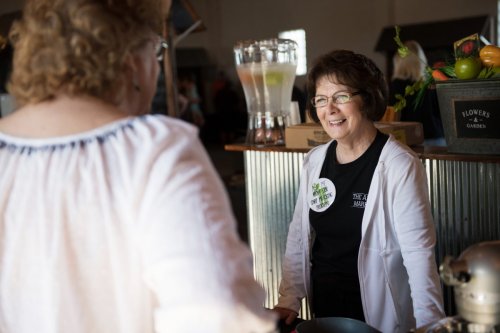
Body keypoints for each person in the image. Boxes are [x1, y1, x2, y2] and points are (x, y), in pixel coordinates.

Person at [0, 0, 277, 332]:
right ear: (129, 58)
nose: (158, 68)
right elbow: (221, 314)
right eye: (157, 51)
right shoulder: (155, 149)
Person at [272, 50, 445, 333]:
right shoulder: (315, 160)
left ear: (366, 99)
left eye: (341, 97)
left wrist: (430, 324)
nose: (330, 110)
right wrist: (289, 299)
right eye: (321, 100)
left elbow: (418, 253)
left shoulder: (399, 164)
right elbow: (299, 234)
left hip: (379, 317)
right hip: (324, 313)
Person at [389, 40, 446, 146]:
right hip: (438, 138)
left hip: (412, 140)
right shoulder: (431, 82)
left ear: (398, 61)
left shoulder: (397, 84)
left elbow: (394, 117)